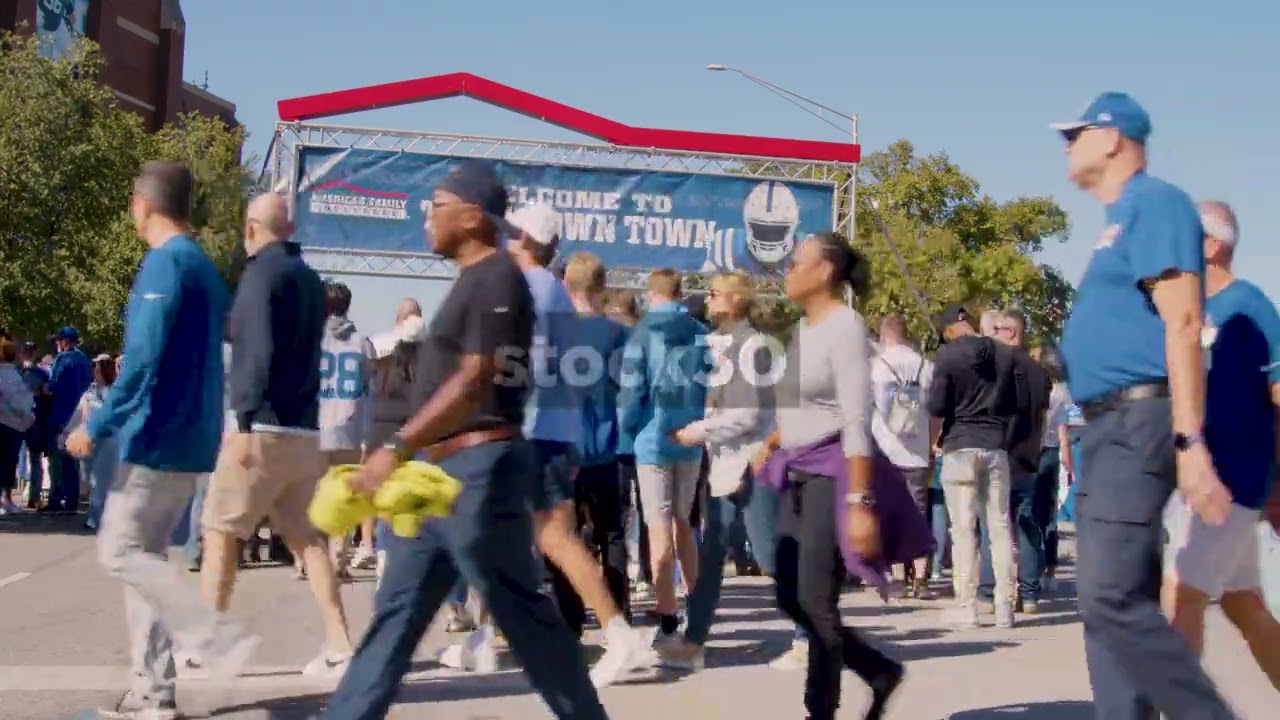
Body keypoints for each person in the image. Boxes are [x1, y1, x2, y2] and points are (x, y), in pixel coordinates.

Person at [322, 160, 609, 720]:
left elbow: (477, 374)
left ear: (473, 216)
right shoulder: (473, 280)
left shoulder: (500, 277)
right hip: (437, 480)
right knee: (396, 613)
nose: (425, 216)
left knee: (526, 619)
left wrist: (396, 447)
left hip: (480, 472)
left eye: (436, 204)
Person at [1053, 92, 1234, 718]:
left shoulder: (1155, 203)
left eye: (1074, 134)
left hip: (1139, 419)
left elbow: (1183, 321)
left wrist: (1189, 442)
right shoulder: (1117, 221)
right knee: (1107, 602)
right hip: (1107, 425)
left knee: (1109, 596)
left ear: (1111, 138)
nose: (1066, 146)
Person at [65, 160, 257, 720]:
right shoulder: (202, 268)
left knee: (119, 550)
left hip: (157, 435)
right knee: (144, 559)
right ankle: (153, 691)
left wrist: (95, 426)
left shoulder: (165, 265)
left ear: (143, 203)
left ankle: (210, 639)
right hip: (193, 436)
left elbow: (142, 360)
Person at [197, 193, 354, 679]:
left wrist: (241, 419)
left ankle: (205, 646)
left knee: (220, 531)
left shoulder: (259, 275)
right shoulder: (308, 279)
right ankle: (340, 645)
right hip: (304, 429)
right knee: (308, 540)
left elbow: (254, 351)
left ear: (250, 229)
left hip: (261, 426)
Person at [751, 233, 907, 720]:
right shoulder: (805, 329)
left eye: (795, 263)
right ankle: (877, 668)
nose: (787, 272)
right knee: (788, 593)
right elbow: (805, 403)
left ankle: (819, 711)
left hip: (835, 473)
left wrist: (861, 502)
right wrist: (774, 441)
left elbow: (855, 417)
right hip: (796, 470)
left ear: (824, 272)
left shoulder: (845, 326)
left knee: (816, 605)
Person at [1160, 201, 1280, 689]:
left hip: (1231, 480)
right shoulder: (1187, 311)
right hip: (1196, 478)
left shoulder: (1250, 306)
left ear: (1213, 246)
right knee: (1243, 604)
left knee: (1180, 598)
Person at [659, 271, 777, 669]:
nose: (706, 300)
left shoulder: (753, 346)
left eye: (713, 294)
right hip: (724, 464)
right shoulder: (716, 345)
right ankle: (694, 641)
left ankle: (811, 634)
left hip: (752, 462)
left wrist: (696, 431)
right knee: (710, 555)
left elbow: (746, 414)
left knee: (769, 554)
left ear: (736, 300)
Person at [618, 269, 709, 644]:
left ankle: (668, 618)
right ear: (681, 291)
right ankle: (698, 609)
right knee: (685, 524)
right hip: (690, 440)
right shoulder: (702, 333)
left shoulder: (642, 333)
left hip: (652, 440)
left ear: (651, 295)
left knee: (657, 527)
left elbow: (630, 391)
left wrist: (625, 431)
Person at [926, 304, 1018, 628]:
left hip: (960, 445)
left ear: (950, 329)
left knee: (963, 531)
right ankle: (1005, 605)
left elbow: (936, 405)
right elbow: (1013, 403)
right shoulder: (1003, 355)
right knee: (1000, 526)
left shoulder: (947, 357)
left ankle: (968, 606)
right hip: (994, 444)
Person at [562, 253, 634, 632]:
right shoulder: (621, 335)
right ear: (603, 288)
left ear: (566, 285)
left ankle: (570, 619)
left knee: (566, 538)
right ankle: (617, 617)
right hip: (609, 449)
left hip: (565, 453)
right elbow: (632, 392)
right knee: (613, 536)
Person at [977, 309, 1051, 617]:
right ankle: (1030, 592)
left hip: (999, 454)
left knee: (993, 526)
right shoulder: (1039, 372)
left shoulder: (995, 369)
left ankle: (988, 590)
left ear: (1009, 333)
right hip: (1028, 457)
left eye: (997, 329)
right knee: (1026, 525)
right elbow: (1042, 418)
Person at [870, 313, 938, 599]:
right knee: (919, 514)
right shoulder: (927, 367)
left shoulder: (878, 366)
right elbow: (936, 411)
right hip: (919, 451)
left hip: (887, 449)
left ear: (885, 336)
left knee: (891, 513)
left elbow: (876, 408)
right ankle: (921, 577)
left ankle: (897, 577)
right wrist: (932, 443)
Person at [318, 280, 376, 577]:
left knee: (313, 496)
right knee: (345, 497)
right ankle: (338, 560)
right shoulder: (362, 343)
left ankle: (311, 562)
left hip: (317, 426)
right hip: (351, 427)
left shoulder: (314, 339)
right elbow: (370, 387)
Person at [61, 354, 119, 530]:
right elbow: (79, 413)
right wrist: (66, 431)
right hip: (91, 440)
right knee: (90, 481)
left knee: (103, 480)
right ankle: (98, 516)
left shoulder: (116, 392)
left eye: (97, 366)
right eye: (93, 366)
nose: (94, 369)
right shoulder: (90, 392)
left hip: (110, 441)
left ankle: (96, 518)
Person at [45, 325, 92, 514]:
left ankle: (55, 500)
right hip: (78, 415)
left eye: (59, 340)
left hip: (60, 414)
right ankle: (71, 502)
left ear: (65, 341)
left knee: (57, 460)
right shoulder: (84, 360)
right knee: (73, 461)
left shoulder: (62, 359)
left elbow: (52, 386)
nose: (57, 343)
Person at [0, 335, 35, 514]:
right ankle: (5, 499)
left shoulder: (9, 373)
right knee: (8, 462)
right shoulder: (9, 374)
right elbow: (17, 401)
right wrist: (28, 415)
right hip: (10, 425)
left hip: (8, 423)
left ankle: (5, 499)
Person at [19, 341, 51, 510]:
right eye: (26, 349)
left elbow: (46, 396)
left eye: (31, 349)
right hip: (16, 419)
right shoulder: (16, 371)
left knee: (35, 458)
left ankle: (35, 496)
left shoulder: (42, 373)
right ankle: (7, 496)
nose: (29, 352)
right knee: (11, 459)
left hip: (35, 420)